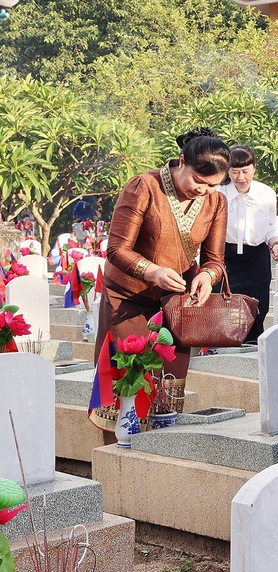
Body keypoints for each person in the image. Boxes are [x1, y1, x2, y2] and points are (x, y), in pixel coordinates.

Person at [92, 128, 228, 430]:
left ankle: (157, 457)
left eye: (212, 185)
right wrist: (153, 271)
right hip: (129, 299)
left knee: (168, 388)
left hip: (175, 304)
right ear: (181, 161)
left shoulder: (216, 201)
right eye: (198, 180)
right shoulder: (145, 186)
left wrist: (207, 276)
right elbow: (116, 249)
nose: (203, 190)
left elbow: (215, 260)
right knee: (128, 383)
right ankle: (120, 457)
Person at [221, 145, 278, 343]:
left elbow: (271, 227)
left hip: (256, 257)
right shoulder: (219, 192)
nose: (240, 177)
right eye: (235, 172)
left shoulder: (266, 194)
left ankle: (253, 346)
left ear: (254, 168)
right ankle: (225, 346)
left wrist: (275, 244)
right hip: (226, 256)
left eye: (245, 171)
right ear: (227, 170)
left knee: (258, 303)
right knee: (226, 304)